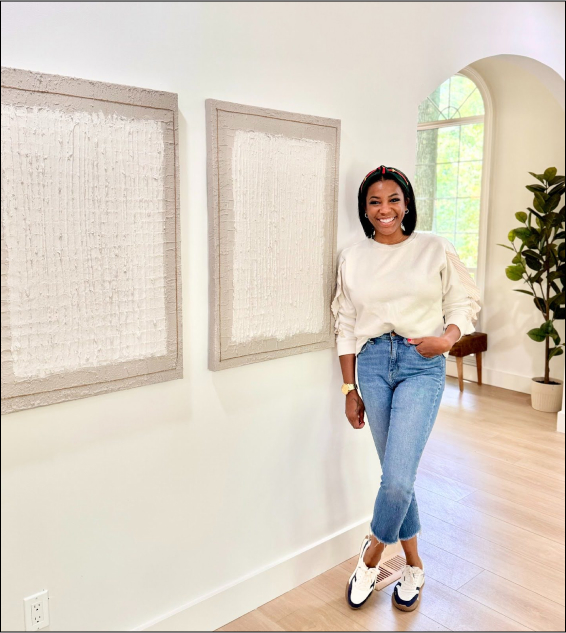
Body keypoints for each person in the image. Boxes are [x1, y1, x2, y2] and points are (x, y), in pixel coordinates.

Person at [331, 165, 481, 612]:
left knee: (395, 479)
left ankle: (371, 556)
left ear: (407, 203)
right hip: (372, 365)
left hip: (421, 362)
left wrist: (447, 339)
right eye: (374, 201)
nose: (385, 209)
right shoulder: (353, 256)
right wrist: (348, 389)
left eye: (393, 199)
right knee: (402, 479)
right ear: (364, 209)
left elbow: (464, 300)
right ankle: (414, 565)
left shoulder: (434, 247)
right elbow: (345, 322)